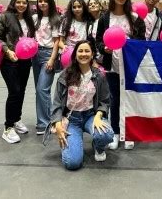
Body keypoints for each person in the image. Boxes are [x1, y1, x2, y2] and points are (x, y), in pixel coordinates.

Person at [46, 40, 114, 170]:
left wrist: (98, 117)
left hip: (90, 116)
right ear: (75, 54)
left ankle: (98, 147)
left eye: (87, 51)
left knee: (106, 135)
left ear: (92, 54)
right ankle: (73, 143)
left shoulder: (99, 75)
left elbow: (104, 101)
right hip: (71, 119)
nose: (84, 54)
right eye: (80, 51)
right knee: (72, 163)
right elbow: (56, 103)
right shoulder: (65, 75)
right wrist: (58, 124)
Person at [96, 0, 145, 150]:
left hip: (130, 67)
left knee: (131, 98)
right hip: (112, 67)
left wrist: (130, 43)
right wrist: (105, 48)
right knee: (115, 100)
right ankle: (116, 133)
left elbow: (142, 43)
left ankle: (129, 133)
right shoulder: (105, 18)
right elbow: (98, 42)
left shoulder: (135, 18)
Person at [0, 0, 36, 144]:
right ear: (13, 3)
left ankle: (17, 119)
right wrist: (7, 50)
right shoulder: (4, 17)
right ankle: (8, 127)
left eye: (24, 3)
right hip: (9, 60)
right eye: (19, 2)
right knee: (14, 91)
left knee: (21, 91)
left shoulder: (29, 19)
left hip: (25, 61)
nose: (21, 5)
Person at [32, 0, 60, 135]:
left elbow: (56, 42)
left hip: (48, 55)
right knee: (39, 90)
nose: (42, 3)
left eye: (45, 1)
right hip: (34, 55)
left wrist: (52, 59)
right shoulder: (34, 18)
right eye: (40, 1)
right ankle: (41, 121)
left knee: (43, 89)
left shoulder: (55, 19)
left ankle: (46, 123)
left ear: (50, 2)